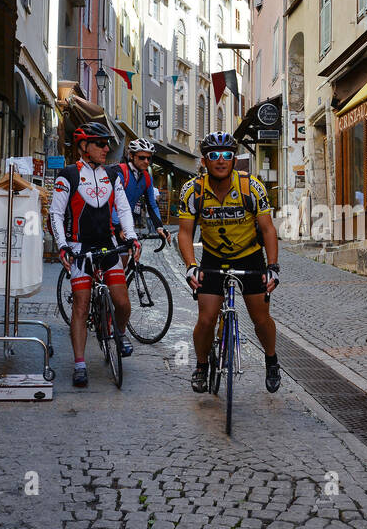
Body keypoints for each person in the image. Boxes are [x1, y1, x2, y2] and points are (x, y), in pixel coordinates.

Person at [177, 131, 282, 394]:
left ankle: (271, 359)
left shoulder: (251, 186)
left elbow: (268, 230)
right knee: (206, 319)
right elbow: (185, 233)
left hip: (250, 257)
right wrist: (191, 265)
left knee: (261, 319)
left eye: (227, 155)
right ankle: (201, 366)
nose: (221, 160)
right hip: (213, 259)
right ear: (204, 160)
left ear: (234, 160)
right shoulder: (193, 190)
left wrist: (273, 267)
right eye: (214, 156)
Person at [48, 121, 141, 387]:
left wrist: (131, 236)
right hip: (79, 247)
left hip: (108, 245)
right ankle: (79, 364)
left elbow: (123, 209)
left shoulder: (112, 174)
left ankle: (119, 333)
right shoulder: (68, 174)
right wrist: (63, 244)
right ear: (83, 146)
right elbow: (55, 213)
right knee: (81, 304)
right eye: (100, 143)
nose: (106, 148)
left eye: (107, 143)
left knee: (122, 303)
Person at [117, 138, 172, 246]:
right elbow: (111, 204)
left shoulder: (147, 177)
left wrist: (159, 227)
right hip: (111, 222)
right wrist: (119, 227)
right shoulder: (120, 172)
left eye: (149, 158)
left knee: (129, 256)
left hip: (128, 222)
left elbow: (152, 205)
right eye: (142, 157)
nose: (146, 161)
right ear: (131, 156)